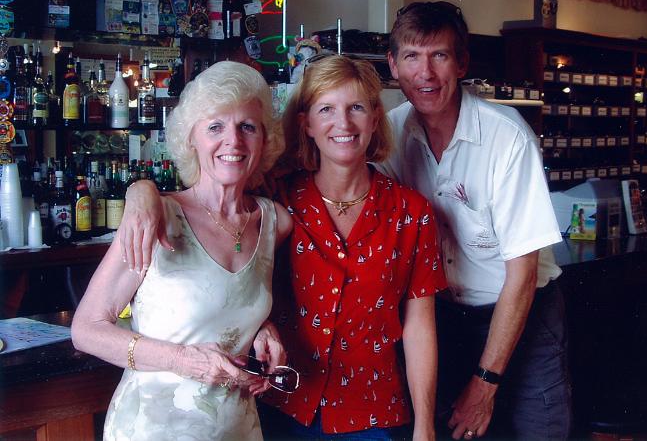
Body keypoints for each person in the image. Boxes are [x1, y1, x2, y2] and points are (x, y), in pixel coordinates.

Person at [118, 54, 448, 440]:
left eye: (356, 107)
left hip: (373, 414)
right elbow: (207, 203)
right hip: (283, 405)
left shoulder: (411, 211)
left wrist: (425, 426)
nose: (342, 123)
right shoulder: (275, 203)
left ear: (376, 118)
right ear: (305, 123)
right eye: (327, 109)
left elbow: (420, 326)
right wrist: (140, 191)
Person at [71, 61, 293, 441]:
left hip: (237, 429)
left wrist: (263, 329)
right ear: (191, 138)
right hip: (152, 429)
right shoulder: (156, 216)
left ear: (265, 139)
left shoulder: (275, 222)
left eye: (247, 127)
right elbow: (86, 330)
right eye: (215, 127)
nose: (233, 141)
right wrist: (183, 360)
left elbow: (232, 301)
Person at [379, 1, 571, 439]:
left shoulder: (507, 137)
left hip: (522, 315)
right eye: (411, 56)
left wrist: (484, 384)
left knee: (536, 431)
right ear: (393, 65)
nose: (425, 73)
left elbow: (521, 276)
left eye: (439, 56)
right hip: (444, 320)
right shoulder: (388, 136)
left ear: (462, 62)